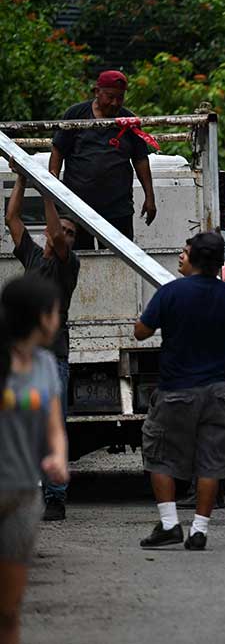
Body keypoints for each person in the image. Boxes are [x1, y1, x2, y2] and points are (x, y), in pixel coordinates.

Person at [134, 231, 225, 550]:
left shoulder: (171, 293)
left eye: (185, 251)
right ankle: (199, 530)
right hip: (217, 390)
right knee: (211, 461)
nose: (180, 256)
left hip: (176, 389)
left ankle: (170, 524)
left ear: (196, 257)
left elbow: (141, 333)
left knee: (158, 453)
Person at [4, 172, 79, 522]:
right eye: (61, 228)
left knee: (53, 425)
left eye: (71, 233)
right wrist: (21, 179)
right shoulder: (34, 258)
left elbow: (58, 240)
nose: (64, 235)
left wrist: (47, 193)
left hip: (54, 357)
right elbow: (11, 219)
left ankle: (56, 498)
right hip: (24, 357)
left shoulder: (68, 266)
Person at [0, 276, 69, 644]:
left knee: (9, 612)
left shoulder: (45, 365)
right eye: (56, 312)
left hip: (24, 497)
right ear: (41, 317)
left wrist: (58, 456)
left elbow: (55, 427)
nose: (59, 319)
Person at [49, 70, 157, 250]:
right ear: (97, 92)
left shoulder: (128, 120)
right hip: (77, 206)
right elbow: (58, 150)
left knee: (121, 258)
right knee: (79, 259)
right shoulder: (76, 114)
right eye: (110, 96)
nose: (115, 103)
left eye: (120, 98)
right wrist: (52, 186)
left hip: (117, 207)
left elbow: (140, 159)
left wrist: (150, 197)